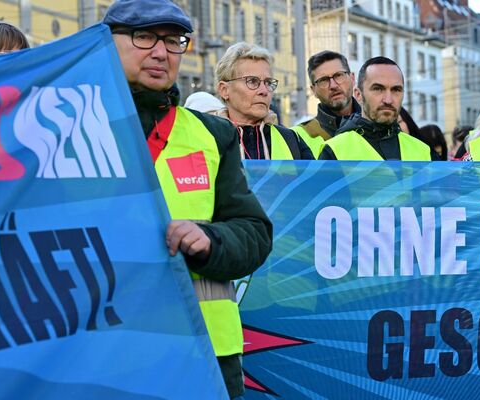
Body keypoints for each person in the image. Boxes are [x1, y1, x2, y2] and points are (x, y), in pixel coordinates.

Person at [102, 1, 273, 398]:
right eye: (144, 37)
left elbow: (255, 234)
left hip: (204, 353)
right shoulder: (74, 130)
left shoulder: (213, 135)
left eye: (173, 41)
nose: (161, 52)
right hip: (103, 350)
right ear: (108, 44)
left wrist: (210, 240)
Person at [318, 56, 435, 160]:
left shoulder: (422, 151)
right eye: (378, 89)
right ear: (358, 95)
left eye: (396, 90)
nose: (388, 100)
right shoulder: (335, 150)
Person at [215, 42, 313, 160]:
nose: (264, 91)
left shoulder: (291, 140)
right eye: (252, 81)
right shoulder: (206, 138)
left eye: (268, 82)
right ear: (224, 90)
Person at [292, 50, 362, 157]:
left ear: (352, 78)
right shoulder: (296, 137)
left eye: (338, 75)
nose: (333, 85)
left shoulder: (378, 127)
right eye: (323, 80)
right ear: (313, 90)